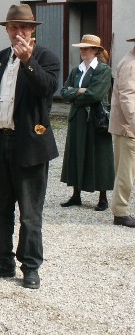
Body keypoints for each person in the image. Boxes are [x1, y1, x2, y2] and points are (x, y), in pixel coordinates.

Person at [0, 4, 59, 290]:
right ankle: (3, 261)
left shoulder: (45, 57)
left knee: (30, 214)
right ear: (7, 30)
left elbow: (47, 90)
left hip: (30, 146)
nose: (18, 32)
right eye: (13, 27)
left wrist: (28, 61)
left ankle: (30, 267)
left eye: (23, 27)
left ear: (32, 29)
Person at [59, 35, 114, 211]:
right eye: (81, 48)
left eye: (87, 48)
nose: (83, 51)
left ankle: (103, 197)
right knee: (76, 152)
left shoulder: (103, 70)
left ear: (96, 50)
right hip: (78, 118)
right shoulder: (76, 70)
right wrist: (79, 91)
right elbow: (63, 93)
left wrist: (75, 93)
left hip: (97, 119)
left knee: (100, 155)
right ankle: (76, 195)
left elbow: (95, 94)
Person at [109, 36, 135, 228]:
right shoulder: (130, 64)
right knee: (125, 172)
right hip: (128, 129)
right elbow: (127, 98)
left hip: (129, 127)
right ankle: (120, 212)